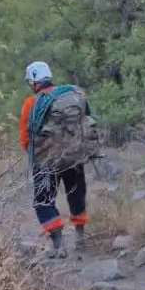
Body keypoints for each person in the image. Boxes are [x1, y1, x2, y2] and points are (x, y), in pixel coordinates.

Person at [19, 61, 89, 258]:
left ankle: (59, 245)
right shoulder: (72, 94)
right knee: (76, 194)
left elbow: (25, 138)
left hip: (46, 159)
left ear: (34, 82)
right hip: (74, 156)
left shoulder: (31, 103)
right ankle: (80, 238)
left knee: (43, 200)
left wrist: (36, 155)